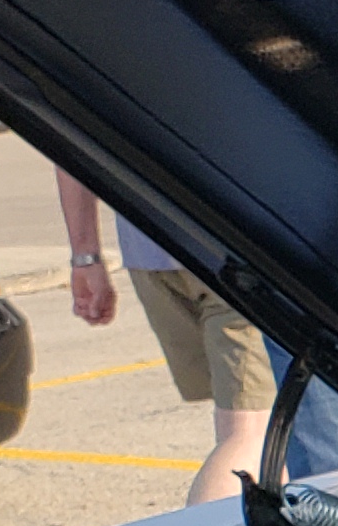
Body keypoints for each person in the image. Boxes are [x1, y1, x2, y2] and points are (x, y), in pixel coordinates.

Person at [58, 172, 269, 505]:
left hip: (149, 254)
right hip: (234, 251)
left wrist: (86, 257)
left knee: (242, 426)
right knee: (250, 432)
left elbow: (72, 158)